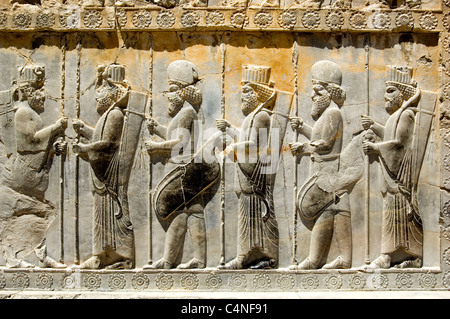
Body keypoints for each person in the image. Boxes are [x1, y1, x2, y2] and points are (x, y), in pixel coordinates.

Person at [0, 65, 67, 268]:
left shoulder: (30, 113)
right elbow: (29, 144)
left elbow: (39, 146)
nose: (43, 95)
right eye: (39, 89)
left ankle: (40, 255)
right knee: (33, 212)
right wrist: (55, 128)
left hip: (34, 173)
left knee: (38, 213)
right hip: (22, 174)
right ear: (28, 92)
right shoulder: (22, 112)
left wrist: (55, 147)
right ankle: (13, 258)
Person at [290, 60, 352, 270]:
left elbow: (325, 144)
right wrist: (303, 127)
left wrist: (304, 148)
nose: (312, 96)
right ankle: (319, 259)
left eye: (316, 91)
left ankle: (336, 259)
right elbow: (318, 136)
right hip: (323, 171)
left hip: (329, 170)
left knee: (332, 209)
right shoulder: (326, 114)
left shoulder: (333, 113)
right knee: (329, 211)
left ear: (328, 92)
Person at [145, 60, 208, 269]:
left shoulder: (188, 112)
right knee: (180, 213)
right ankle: (170, 260)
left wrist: (157, 147)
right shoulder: (183, 113)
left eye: (172, 90)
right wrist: (157, 129)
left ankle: (197, 260)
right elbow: (176, 135)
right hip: (178, 168)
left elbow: (181, 142)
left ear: (182, 92)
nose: (168, 95)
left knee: (192, 211)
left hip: (184, 169)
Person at [72, 64, 136, 269]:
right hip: (102, 178)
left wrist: (83, 148)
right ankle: (100, 256)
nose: (97, 96)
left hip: (110, 178)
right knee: (101, 218)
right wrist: (84, 131)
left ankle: (121, 258)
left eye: (101, 91)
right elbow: (100, 138)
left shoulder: (116, 114)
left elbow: (108, 145)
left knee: (114, 217)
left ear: (112, 93)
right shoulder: (107, 115)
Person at [216, 64, 280, 269]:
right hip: (247, 181)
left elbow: (254, 146)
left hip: (256, 180)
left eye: (246, 91)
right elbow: (246, 139)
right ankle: (245, 256)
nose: (241, 96)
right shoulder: (252, 116)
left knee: (261, 220)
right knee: (247, 223)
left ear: (257, 94)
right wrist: (231, 131)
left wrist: (232, 148)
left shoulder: (262, 116)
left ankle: (267, 257)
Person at [361, 65, 423, 269]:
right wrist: (374, 125)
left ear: (402, 92)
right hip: (391, 181)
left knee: (399, 218)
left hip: (399, 179)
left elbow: (398, 145)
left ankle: (401, 256)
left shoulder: (406, 115)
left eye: (390, 91)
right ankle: (392, 256)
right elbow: (390, 134)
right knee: (391, 217)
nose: (385, 96)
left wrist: (375, 148)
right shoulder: (396, 116)